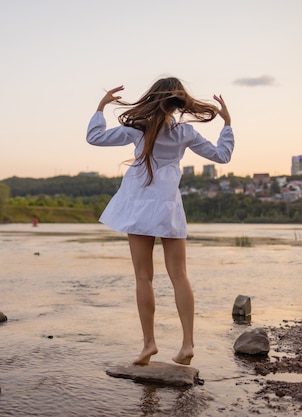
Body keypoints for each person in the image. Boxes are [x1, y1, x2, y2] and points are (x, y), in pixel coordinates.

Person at [86, 77, 233, 366]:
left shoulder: (137, 128)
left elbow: (95, 137)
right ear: (179, 102)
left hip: (140, 205)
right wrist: (227, 124)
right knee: (179, 275)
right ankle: (188, 344)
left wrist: (100, 107)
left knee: (144, 277)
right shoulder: (185, 132)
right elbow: (222, 155)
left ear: (152, 98)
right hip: (168, 205)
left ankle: (149, 344)